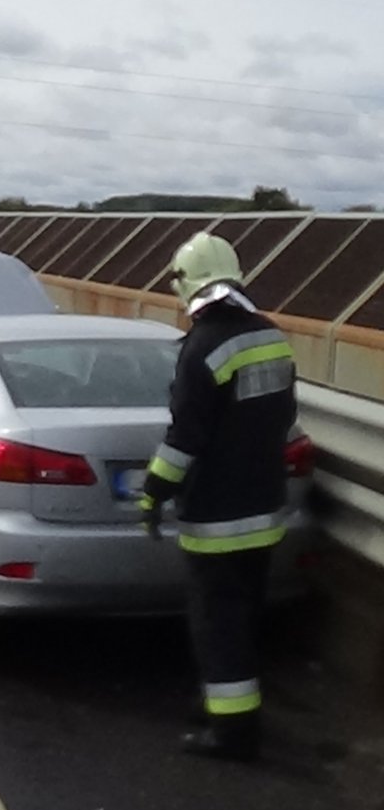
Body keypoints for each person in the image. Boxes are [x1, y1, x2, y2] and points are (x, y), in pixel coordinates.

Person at [139, 232, 298, 762]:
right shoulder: (270, 335)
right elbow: (283, 417)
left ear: (188, 286)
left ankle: (231, 733)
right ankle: (219, 707)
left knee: (217, 626)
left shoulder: (202, 348)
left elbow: (185, 439)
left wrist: (153, 493)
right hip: (266, 508)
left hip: (217, 517)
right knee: (243, 618)